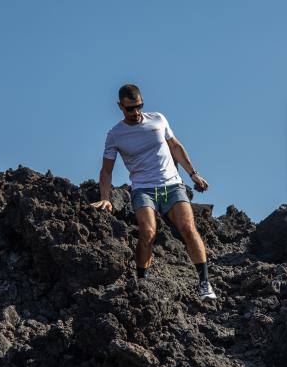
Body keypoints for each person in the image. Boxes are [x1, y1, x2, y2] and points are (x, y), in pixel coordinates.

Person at [89, 83, 217, 301]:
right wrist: (105, 199)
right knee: (148, 232)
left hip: (172, 184)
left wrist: (193, 174)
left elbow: (175, 146)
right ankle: (142, 283)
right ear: (120, 106)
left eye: (139, 106)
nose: (136, 112)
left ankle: (204, 283)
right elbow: (106, 170)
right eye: (130, 108)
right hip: (143, 189)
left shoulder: (158, 119)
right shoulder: (115, 135)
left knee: (187, 227)